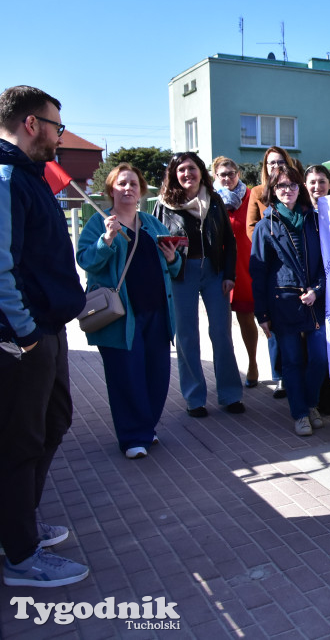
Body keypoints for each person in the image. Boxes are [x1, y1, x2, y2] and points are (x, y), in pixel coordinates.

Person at [0, 85, 89, 587]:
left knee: (54, 422)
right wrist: (27, 333)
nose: (60, 136)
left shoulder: (29, 176)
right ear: (31, 124)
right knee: (21, 442)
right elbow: (1, 268)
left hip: (46, 332)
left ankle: (18, 525)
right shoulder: (7, 177)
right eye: (57, 126)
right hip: (24, 339)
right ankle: (20, 555)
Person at [77, 163, 182, 458]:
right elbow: (85, 260)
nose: (128, 188)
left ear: (141, 191)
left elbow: (174, 268)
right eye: (121, 183)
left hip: (157, 313)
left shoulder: (152, 224)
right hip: (121, 317)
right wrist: (107, 240)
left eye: (133, 184)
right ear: (111, 190)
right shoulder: (98, 222)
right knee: (126, 376)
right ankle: (133, 436)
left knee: (157, 375)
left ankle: (146, 427)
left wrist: (173, 259)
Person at [154, 152, 244, 418]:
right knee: (186, 336)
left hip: (214, 271)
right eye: (181, 169)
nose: (187, 174)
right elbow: (155, 240)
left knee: (222, 333)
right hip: (181, 272)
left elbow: (229, 241)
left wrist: (229, 274)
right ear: (174, 174)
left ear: (200, 171)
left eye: (191, 168)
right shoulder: (163, 204)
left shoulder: (214, 200)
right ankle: (195, 398)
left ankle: (230, 394)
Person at [250, 166, 327, 436]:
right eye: (281, 185)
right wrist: (262, 314)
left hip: (314, 302)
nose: (288, 190)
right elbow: (258, 273)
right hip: (283, 303)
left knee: (320, 358)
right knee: (292, 362)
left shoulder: (314, 220)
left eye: (292, 185)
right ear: (273, 190)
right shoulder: (265, 226)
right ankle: (301, 413)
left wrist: (318, 289)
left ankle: (310, 403)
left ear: (300, 188)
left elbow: (327, 262)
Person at [247, 146, 302, 399]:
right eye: (271, 163)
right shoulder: (258, 193)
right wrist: (272, 241)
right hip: (273, 262)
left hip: (299, 279)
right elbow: (252, 227)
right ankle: (280, 376)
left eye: (280, 161)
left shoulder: (297, 194)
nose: (275, 166)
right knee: (276, 333)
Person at [213, 156, 260, 389]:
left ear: (238, 174)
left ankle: (253, 363)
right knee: (221, 324)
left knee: (246, 317)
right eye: (222, 174)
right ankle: (228, 373)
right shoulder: (211, 200)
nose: (227, 178)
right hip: (220, 267)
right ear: (216, 177)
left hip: (246, 264)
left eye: (231, 173)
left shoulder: (250, 197)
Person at [304, 164, 330, 416]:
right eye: (312, 182)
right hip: (312, 289)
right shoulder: (301, 214)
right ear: (305, 186)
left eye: (322, 181)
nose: (317, 186)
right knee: (316, 350)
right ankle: (311, 400)